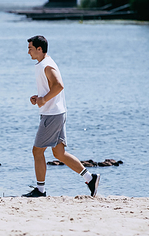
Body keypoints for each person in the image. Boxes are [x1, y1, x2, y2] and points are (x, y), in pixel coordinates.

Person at [22, 35, 100, 198]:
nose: (28, 52)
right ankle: (90, 178)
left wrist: (43, 99)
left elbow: (59, 86)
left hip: (52, 115)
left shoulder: (47, 65)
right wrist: (39, 97)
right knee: (59, 154)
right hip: (55, 112)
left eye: (30, 48)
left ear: (39, 49)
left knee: (37, 151)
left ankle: (40, 190)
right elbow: (51, 88)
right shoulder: (43, 64)